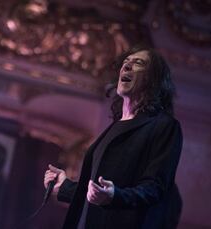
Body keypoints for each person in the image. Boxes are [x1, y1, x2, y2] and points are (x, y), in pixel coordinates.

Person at [44, 46, 183, 229]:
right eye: (126, 62)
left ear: (152, 79)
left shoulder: (163, 126)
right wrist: (65, 186)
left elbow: (154, 188)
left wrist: (115, 196)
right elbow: (97, 191)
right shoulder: (115, 126)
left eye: (138, 63)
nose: (127, 66)